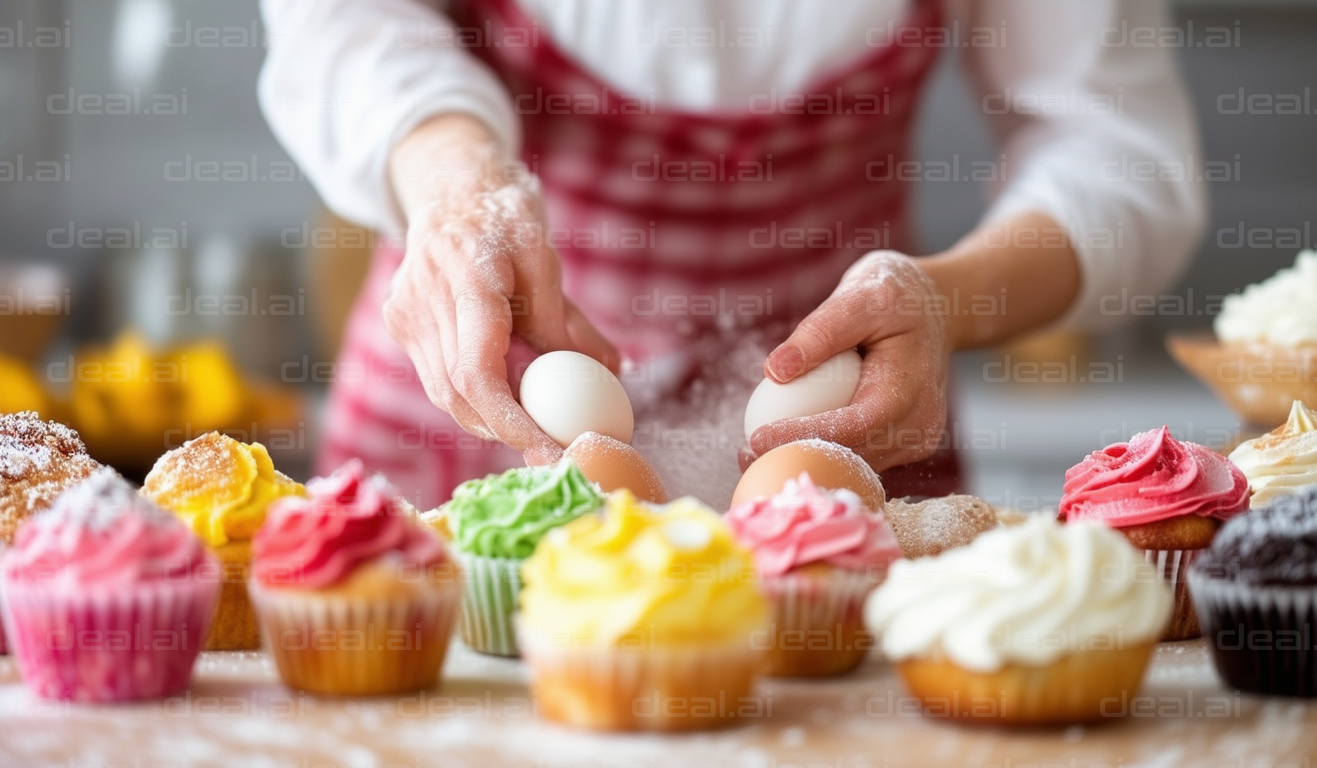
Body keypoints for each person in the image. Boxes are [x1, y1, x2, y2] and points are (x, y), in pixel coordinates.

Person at [258, 0, 1205, 508]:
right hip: (473, 389)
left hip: (849, 428)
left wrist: (948, 300)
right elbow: (339, 21)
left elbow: (1119, 152)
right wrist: (455, 184)